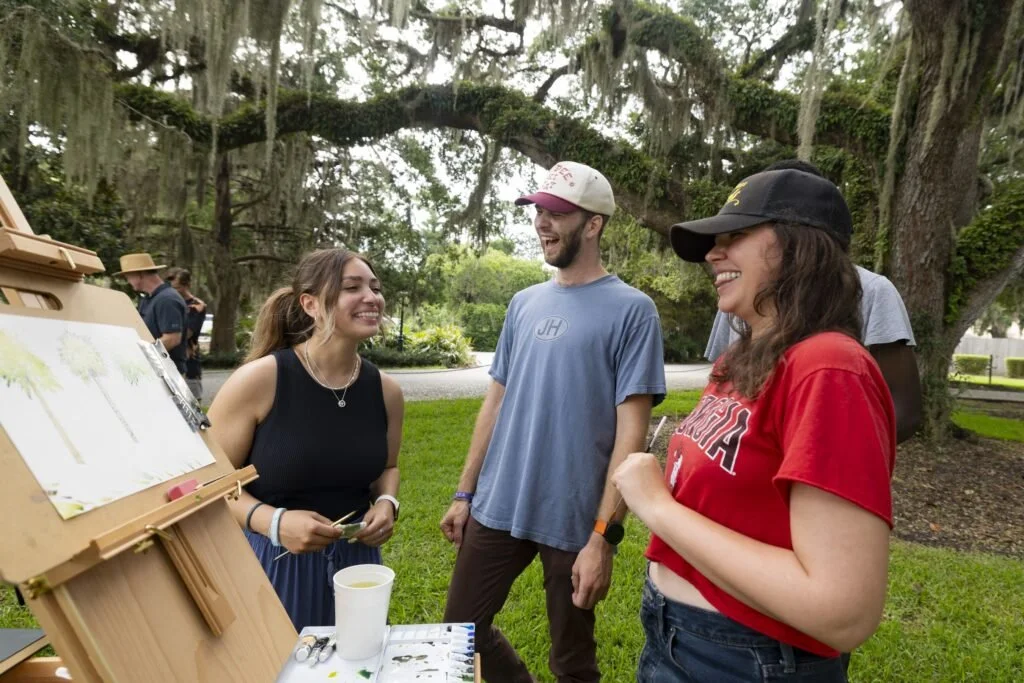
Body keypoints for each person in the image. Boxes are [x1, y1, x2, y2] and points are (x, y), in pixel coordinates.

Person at [613, 168, 896, 682]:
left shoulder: (828, 367)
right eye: (714, 242)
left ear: (800, 247)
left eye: (735, 237)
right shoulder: (739, 358)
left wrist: (656, 505)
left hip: (747, 659)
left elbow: (842, 611)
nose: (712, 255)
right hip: (672, 635)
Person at [439, 161, 667, 682]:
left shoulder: (634, 311)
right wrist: (464, 492)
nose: (542, 222)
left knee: (572, 660)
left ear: (593, 224)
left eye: (557, 212)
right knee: (459, 633)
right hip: (498, 504)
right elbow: (494, 403)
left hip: (573, 518)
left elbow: (631, 435)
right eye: (538, 210)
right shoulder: (523, 304)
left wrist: (602, 537)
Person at [207, 248, 404, 630]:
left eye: (375, 288)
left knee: (355, 667)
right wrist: (273, 522)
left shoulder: (386, 391)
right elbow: (207, 484)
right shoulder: (260, 380)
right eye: (352, 287)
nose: (372, 297)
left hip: (357, 567)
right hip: (271, 563)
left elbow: (388, 467)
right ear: (310, 304)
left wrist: (387, 502)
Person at [704, 160, 923, 443]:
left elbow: (904, 410)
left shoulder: (873, 290)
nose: (714, 254)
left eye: (741, 232)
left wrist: (829, 458)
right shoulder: (739, 292)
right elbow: (721, 390)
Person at [115, 253, 187, 374]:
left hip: (168, 374)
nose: (128, 281)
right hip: (154, 371)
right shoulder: (149, 299)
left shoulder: (167, 299)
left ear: (140, 275)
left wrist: (139, 355)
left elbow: (172, 339)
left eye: (128, 276)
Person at [165, 267, 206, 401]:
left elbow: (188, 333)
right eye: (172, 288)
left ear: (187, 285)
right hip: (170, 357)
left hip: (189, 358)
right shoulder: (169, 302)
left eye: (177, 288)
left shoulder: (197, 305)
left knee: (192, 400)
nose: (174, 291)